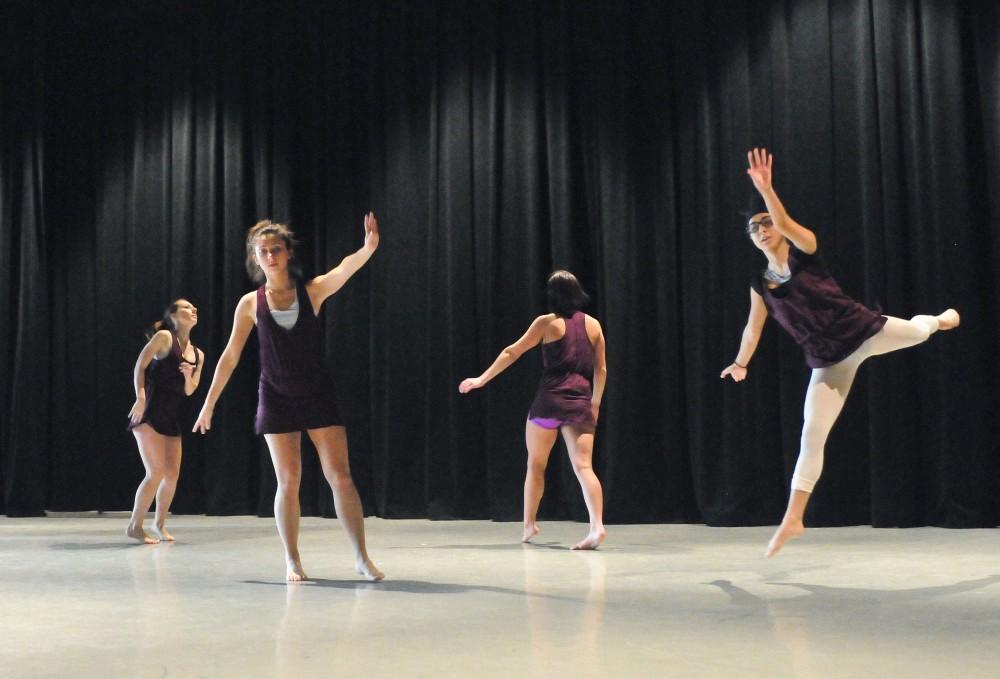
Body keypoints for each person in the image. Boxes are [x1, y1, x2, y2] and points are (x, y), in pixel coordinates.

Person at [721, 148, 960, 557]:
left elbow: (783, 222)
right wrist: (741, 362)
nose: (762, 229)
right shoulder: (760, 283)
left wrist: (766, 191)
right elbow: (752, 327)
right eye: (754, 229)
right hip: (827, 360)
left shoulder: (806, 249)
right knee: (811, 435)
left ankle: (935, 319)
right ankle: (794, 518)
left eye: (765, 224)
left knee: (920, 332)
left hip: (862, 330)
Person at [193, 215, 383, 582]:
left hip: (317, 391)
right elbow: (231, 355)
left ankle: (361, 556)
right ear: (255, 258)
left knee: (340, 476)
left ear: (287, 252)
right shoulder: (250, 303)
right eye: (262, 252)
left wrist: (368, 248)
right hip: (276, 396)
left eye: (275, 249)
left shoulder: (310, 291)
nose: (270, 256)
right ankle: (292, 560)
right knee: (288, 479)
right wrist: (209, 402)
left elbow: (343, 271)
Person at [459, 271, 608, 550]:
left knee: (535, 464)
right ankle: (597, 526)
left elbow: (511, 352)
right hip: (580, 402)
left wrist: (481, 379)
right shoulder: (594, 326)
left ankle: (529, 525)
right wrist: (595, 403)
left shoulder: (546, 323)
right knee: (584, 466)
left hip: (549, 402)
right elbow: (601, 370)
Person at [127, 299, 204, 543]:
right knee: (155, 471)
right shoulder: (164, 338)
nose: (193, 310)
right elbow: (140, 365)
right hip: (148, 412)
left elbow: (190, 391)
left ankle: (159, 524)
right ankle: (134, 526)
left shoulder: (198, 354)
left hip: (171, 417)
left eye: (194, 308)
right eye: (186, 308)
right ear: (173, 316)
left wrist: (189, 376)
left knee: (171, 474)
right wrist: (139, 398)